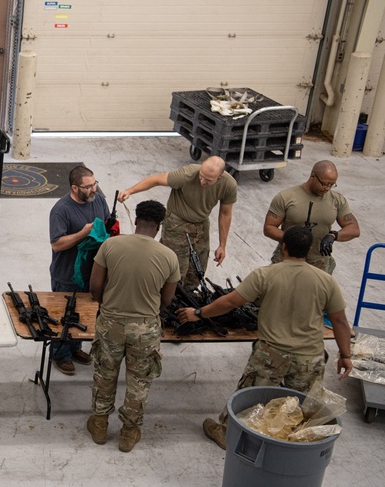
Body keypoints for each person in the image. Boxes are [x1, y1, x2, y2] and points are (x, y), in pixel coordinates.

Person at [177, 225, 354, 450]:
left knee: (250, 397)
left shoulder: (266, 274)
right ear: (309, 249)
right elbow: (340, 321)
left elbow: (231, 302)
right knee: (302, 405)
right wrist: (345, 355)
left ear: (283, 247)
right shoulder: (326, 281)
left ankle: (227, 433)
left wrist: (198, 313)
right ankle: (292, 442)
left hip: (271, 354)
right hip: (309, 357)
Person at [86, 200, 179, 453]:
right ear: (159, 227)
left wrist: (109, 306)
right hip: (145, 328)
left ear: (136, 220)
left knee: (105, 374)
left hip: (111, 323)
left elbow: (94, 287)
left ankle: (99, 424)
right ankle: (128, 433)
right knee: (139, 381)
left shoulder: (110, 245)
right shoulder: (169, 256)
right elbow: (168, 299)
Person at [118, 156, 237, 288]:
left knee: (197, 269)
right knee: (175, 269)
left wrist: (222, 245)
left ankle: (188, 297)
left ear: (220, 176)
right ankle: (167, 298)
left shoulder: (228, 184)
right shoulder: (187, 174)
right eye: (201, 176)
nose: (202, 181)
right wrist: (130, 191)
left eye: (208, 180)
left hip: (201, 224)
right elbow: (156, 180)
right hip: (177, 223)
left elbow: (225, 213)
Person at [47, 165, 109, 374]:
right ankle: (60, 355)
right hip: (66, 274)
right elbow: (57, 244)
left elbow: (107, 225)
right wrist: (83, 233)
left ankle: (75, 348)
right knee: (65, 315)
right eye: (89, 186)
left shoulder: (98, 200)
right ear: (75, 188)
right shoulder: (61, 210)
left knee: (84, 313)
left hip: (92, 272)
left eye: (95, 184)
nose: (94, 189)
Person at [263, 160, 360, 275]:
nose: (327, 188)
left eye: (332, 184)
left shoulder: (337, 200)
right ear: (313, 176)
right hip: (287, 260)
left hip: (318, 263)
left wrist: (333, 236)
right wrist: (293, 239)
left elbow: (354, 229)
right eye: (324, 183)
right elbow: (269, 227)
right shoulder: (286, 197)